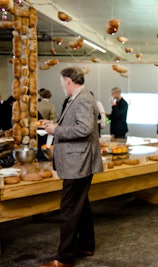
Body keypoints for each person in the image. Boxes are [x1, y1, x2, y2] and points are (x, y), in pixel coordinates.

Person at [40, 66, 103, 267]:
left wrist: (56, 129)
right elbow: (77, 124)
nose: (61, 85)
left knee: (68, 208)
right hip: (80, 161)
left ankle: (64, 258)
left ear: (68, 80)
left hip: (78, 162)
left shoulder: (82, 98)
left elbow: (84, 129)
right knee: (80, 205)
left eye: (61, 81)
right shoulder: (80, 97)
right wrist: (52, 124)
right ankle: (86, 245)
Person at [37, 88, 56, 161]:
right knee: (47, 147)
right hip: (47, 130)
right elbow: (52, 119)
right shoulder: (51, 106)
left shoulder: (37, 105)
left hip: (37, 129)